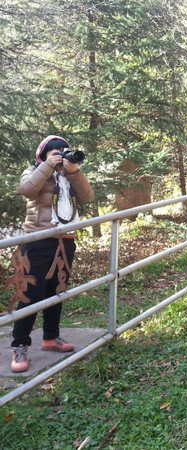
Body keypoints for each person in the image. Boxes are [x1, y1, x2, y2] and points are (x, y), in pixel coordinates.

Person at [10, 135, 94, 373]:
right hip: (37, 241)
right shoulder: (33, 170)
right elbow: (26, 190)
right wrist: (47, 166)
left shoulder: (68, 174)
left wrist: (74, 170)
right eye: (54, 151)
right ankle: (19, 345)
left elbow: (87, 196)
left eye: (63, 150)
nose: (60, 154)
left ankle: (50, 338)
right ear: (43, 154)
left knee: (56, 291)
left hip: (65, 239)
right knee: (30, 294)